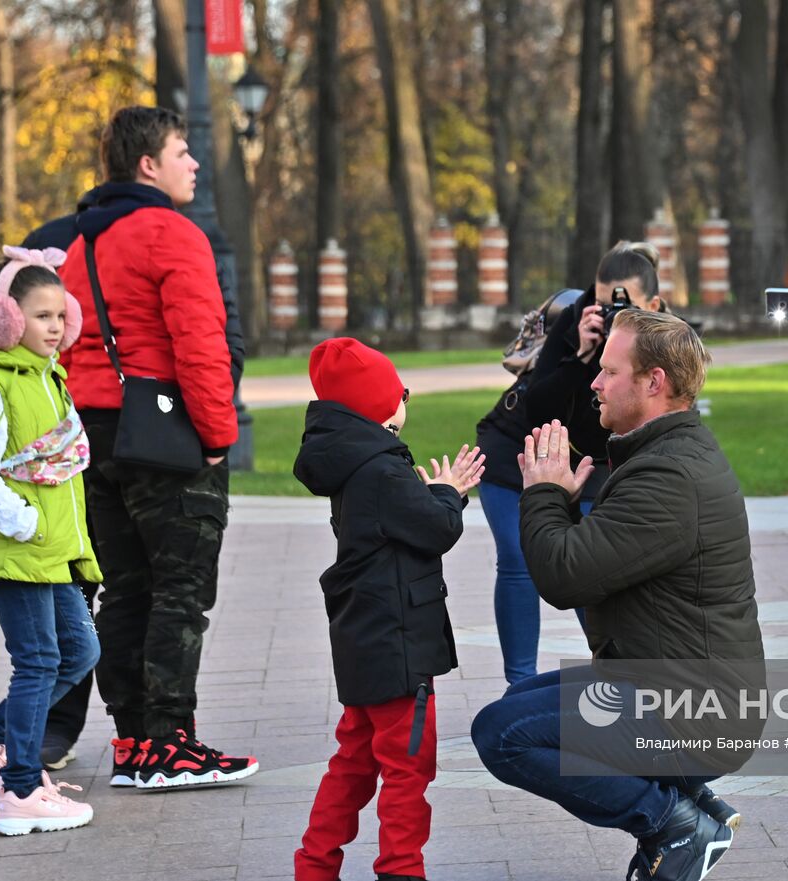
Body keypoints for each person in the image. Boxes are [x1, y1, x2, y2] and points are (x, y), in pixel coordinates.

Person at [471, 310, 764, 881]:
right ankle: (695, 808)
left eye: (609, 371)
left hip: (694, 714)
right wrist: (561, 501)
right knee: (515, 707)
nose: (594, 384)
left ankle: (673, 822)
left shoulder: (669, 477)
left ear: (654, 383)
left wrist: (545, 492)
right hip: (668, 685)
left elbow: (562, 578)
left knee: (502, 736)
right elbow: (591, 560)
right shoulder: (663, 454)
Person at [59, 105, 257, 788]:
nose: (193, 163)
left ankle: (134, 743)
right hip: (166, 433)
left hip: (95, 432)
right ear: (148, 164)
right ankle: (172, 742)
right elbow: (199, 344)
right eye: (182, 150)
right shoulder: (172, 233)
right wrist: (217, 435)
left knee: (125, 590)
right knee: (181, 588)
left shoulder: (81, 245)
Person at [292, 339, 484, 881]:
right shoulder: (383, 469)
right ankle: (402, 869)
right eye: (399, 392)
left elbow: (404, 522)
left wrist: (432, 495)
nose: (405, 400)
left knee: (353, 761)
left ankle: (314, 865)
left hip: (363, 640)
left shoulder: (352, 461)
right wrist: (449, 492)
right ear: (380, 405)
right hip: (399, 647)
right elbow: (437, 528)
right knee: (407, 768)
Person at [0, 247, 103, 835]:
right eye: (40, 316)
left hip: (50, 553)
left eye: (61, 315)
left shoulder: (48, 378)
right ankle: (22, 791)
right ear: (5, 319)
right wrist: (26, 523)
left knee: (80, 653)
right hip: (18, 550)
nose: (55, 327)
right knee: (38, 662)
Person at [473, 240, 665, 685]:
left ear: (653, 305)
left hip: (588, 466)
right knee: (519, 559)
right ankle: (518, 684)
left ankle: (616, 676)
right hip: (517, 453)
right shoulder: (579, 317)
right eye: (603, 301)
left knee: (588, 568)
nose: (611, 313)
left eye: (625, 305)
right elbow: (539, 408)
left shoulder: (666, 336)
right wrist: (580, 354)